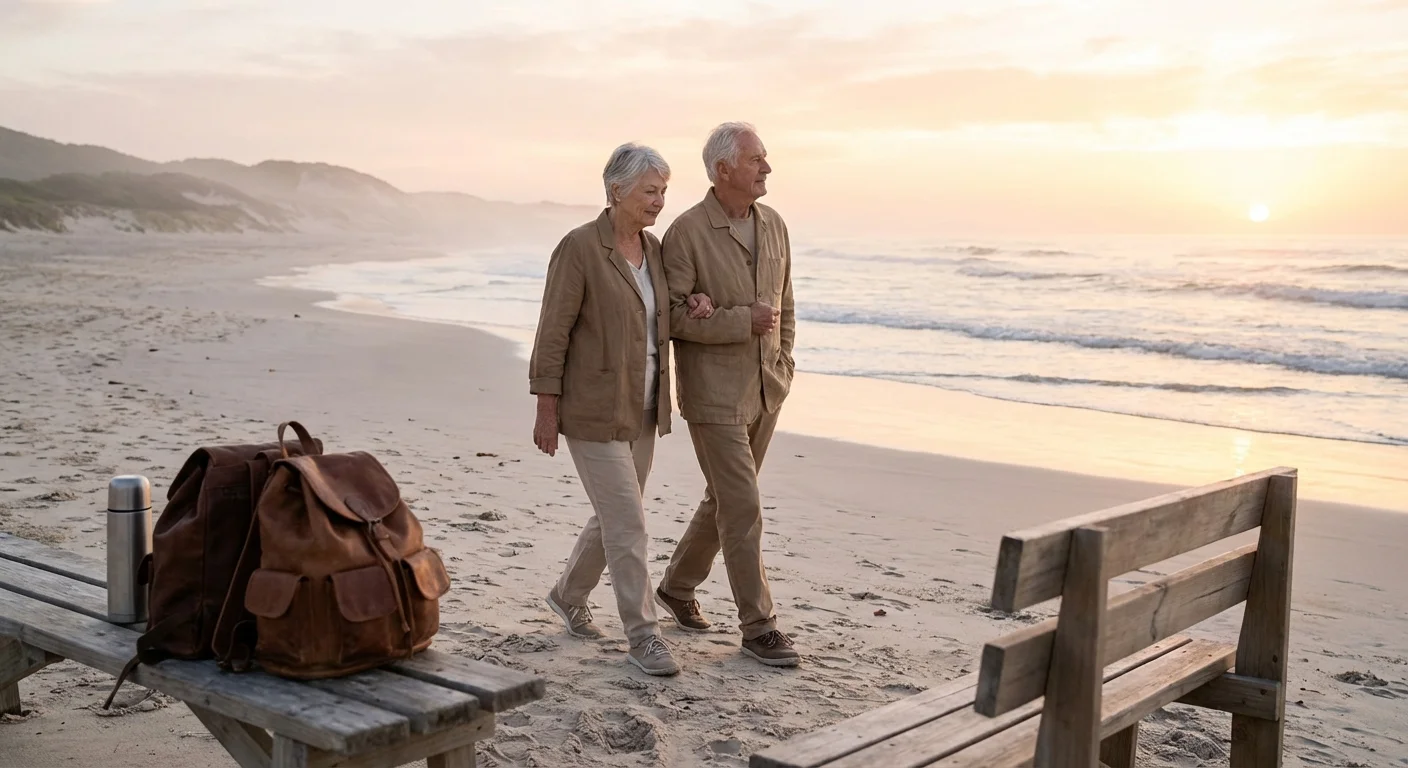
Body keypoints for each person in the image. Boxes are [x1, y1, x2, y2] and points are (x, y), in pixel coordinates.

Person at [528, 142, 714, 676]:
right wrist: (547, 409)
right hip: (591, 411)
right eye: (650, 191)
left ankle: (567, 594)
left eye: (663, 191)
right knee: (628, 523)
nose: (659, 201)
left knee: (613, 517)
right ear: (616, 191)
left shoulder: (653, 250)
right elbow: (553, 332)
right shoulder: (579, 248)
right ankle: (643, 635)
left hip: (644, 408)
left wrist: (695, 304)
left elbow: (664, 312)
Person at [653, 122, 801, 667]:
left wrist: (784, 361)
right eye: (756, 159)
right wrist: (740, 320)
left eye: (765, 158)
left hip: (767, 388)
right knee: (742, 505)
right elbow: (667, 317)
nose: (766, 167)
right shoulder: (687, 233)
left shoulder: (776, 224)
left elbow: (786, 303)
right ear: (723, 170)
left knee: (724, 499)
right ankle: (759, 626)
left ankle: (676, 586)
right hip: (714, 396)